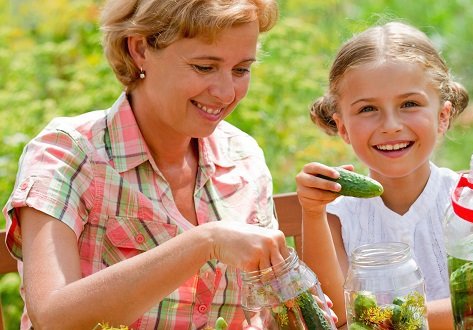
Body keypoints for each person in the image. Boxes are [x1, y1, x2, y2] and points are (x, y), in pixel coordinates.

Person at [1, 0, 333, 329]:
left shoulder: (243, 157)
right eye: (204, 67)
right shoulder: (68, 154)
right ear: (140, 49)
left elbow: (262, 310)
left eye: (241, 69)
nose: (225, 92)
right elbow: (53, 316)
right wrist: (206, 241)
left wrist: (290, 312)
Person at [295, 21, 470, 328]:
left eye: (409, 104)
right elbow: (335, 314)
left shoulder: (470, 203)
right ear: (343, 128)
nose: (390, 125)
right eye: (367, 109)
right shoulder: (336, 216)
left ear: (442, 117)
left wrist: (391, 321)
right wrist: (312, 212)